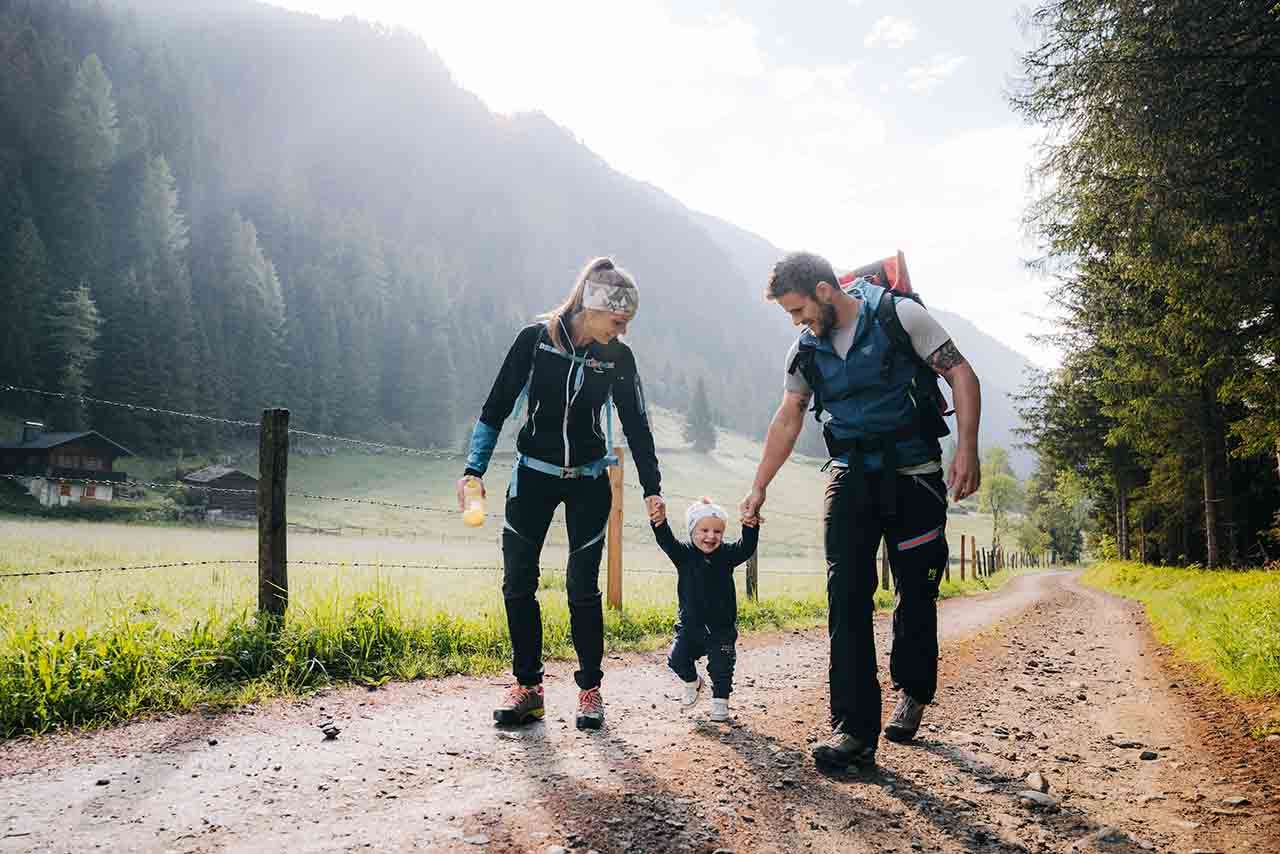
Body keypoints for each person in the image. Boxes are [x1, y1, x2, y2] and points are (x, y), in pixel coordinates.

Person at [740, 251, 981, 770]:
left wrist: (967, 448)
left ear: (826, 291)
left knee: (917, 590)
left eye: (798, 309)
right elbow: (787, 419)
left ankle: (913, 690)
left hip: (914, 477)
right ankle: (853, 730)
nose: (796, 321)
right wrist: (759, 486)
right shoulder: (805, 350)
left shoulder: (899, 316)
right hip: (849, 476)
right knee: (845, 595)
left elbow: (961, 373)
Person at [458, 257, 665, 730]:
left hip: (591, 481)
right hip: (532, 476)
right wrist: (474, 470)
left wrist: (653, 488)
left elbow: (637, 425)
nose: (624, 331)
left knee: (582, 589)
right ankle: (528, 689)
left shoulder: (617, 357)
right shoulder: (533, 342)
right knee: (518, 583)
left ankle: (590, 691)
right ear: (592, 308)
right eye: (619, 320)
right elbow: (496, 406)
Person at [651, 498, 759, 722]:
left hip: (721, 628)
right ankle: (693, 682)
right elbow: (666, 541)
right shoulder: (683, 555)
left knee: (722, 666)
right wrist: (659, 522)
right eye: (705, 530)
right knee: (677, 659)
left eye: (717, 531)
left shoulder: (727, 555)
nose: (711, 536)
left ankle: (721, 703)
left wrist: (750, 526)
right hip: (690, 625)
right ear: (692, 530)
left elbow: (747, 548)